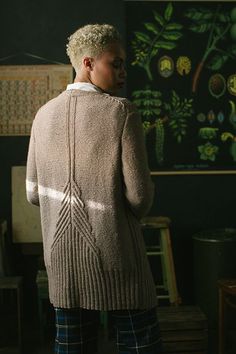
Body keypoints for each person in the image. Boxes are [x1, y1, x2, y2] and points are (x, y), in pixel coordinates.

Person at [26, 23, 162, 354]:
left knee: (73, 347)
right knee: (138, 344)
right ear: (88, 63)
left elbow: (32, 193)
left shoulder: (42, 116)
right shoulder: (121, 111)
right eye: (115, 63)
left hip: (63, 264)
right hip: (117, 258)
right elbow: (140, 196)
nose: (122, 72)